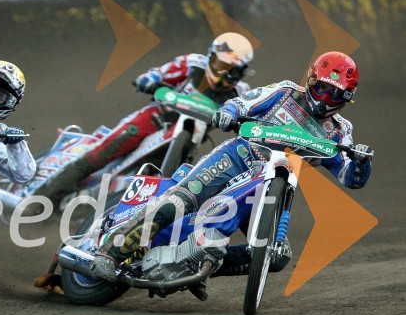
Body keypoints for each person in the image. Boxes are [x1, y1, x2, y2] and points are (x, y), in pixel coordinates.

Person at [90, 51, 374, 281]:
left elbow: (350, 177)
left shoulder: (338, 130)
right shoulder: (286, 92)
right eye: (323, 88)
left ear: (347, 98)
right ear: (312, 79)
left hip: (271, 187)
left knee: (276, 255)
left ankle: (196, 268)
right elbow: (244, 102)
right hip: (238, 156)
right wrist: (229, 113)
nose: (326, 99)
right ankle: (109, 252)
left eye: (336, 95)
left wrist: (361, 162)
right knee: (182, 198)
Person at [34, 32, 254, 205]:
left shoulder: (241, 94)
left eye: (231, 70)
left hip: (190, 140)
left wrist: (246, 125)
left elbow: (248, 118)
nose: (223, 73)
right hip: (155, 118)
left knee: (190, 180)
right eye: (220, 65)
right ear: (210, 56)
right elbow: (159, 73)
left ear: (241, 72)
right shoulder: (193, 63)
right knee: (103, 151)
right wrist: (148, 79)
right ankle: (42, 199)